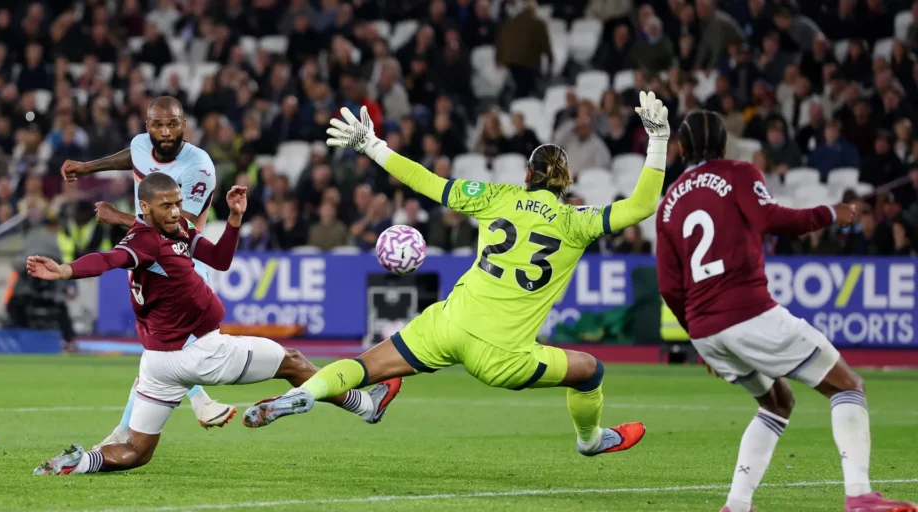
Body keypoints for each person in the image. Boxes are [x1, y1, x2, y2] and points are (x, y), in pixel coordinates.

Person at [241, 92, 672, 459]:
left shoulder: (495, 197)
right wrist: (658, 140)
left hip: (448, 324)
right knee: (591, 370)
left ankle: (306, 394)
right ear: (566, 184)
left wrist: (372, 145)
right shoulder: (578, 222)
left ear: (526, 177)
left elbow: (425, 181)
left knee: (362, 365)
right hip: (502, 356)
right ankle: (591, 440)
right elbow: (640, 207)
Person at [29, 175, 401, 475]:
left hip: (158, 363)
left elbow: (220, 260)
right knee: (292, 360)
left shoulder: (177, 233)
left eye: (177, 202)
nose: (176, 211)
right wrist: (65, 270)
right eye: (166, 205)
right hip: (201, 352)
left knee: (137, 452)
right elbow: (108, 259)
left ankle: (81, 462)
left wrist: (235, 219)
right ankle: (365, 406)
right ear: (144, 207)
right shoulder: (144, 241)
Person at [655, 110, 918, 512]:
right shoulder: (740, 172)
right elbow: (770, 220)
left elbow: (669, 286)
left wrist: (698, 338)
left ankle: (736, 508)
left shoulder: (668, 203)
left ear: (682, 150)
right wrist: (830, 213)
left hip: (706, 329)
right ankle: (860, 495)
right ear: (725, 146)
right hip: (748, 313)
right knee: (847, 386)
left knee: (777, 402)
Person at [59, 96, 238, 446]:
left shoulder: (198, 166)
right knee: (159, 353)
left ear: (184, 125)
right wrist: (87, 167)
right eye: (157, 125)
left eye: (173, 124)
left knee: (162, 353)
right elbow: (134, 154)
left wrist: (120, 217)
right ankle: (189, 405)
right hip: (145, 262)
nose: (166, 132)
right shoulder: (142, 145)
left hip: (180, 263)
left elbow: (178, 227)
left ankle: (183, 407)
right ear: (147, 127)